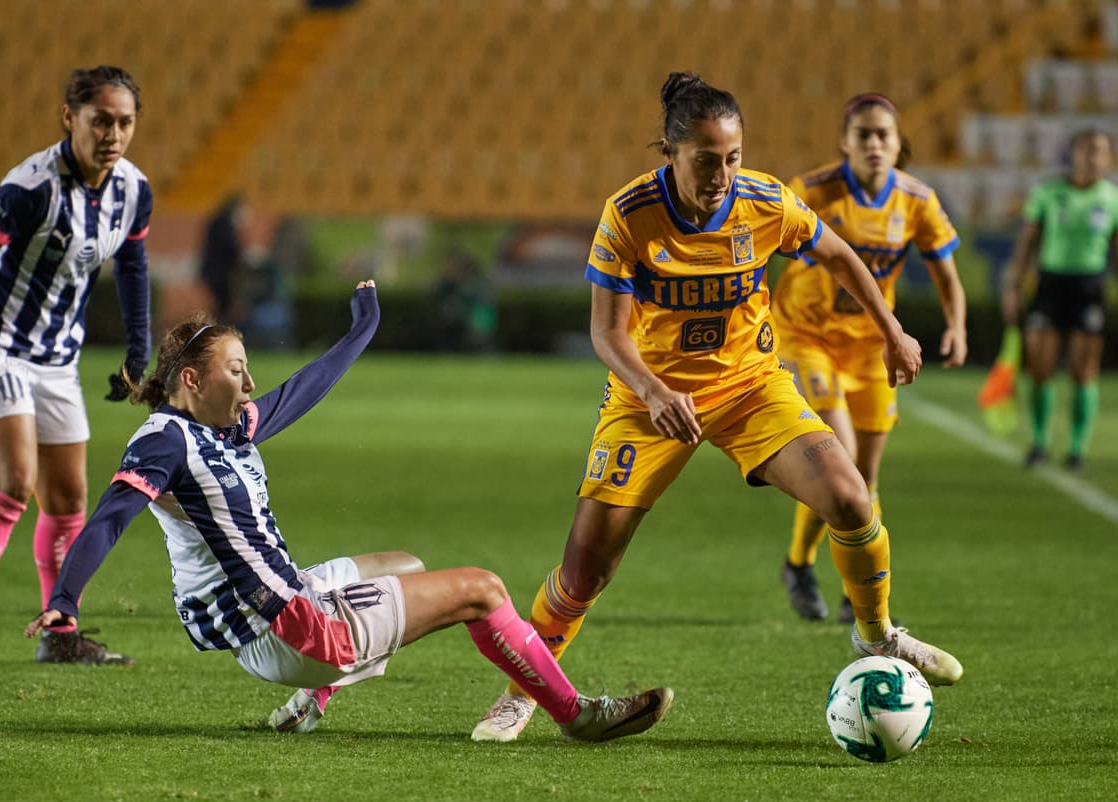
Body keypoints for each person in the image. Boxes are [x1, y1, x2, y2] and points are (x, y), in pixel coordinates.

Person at [469, 72, 964, 743]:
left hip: (751, 386)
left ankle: (877, 634)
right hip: (648, 399)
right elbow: (607, 332)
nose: (722, 174)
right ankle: (521, 693)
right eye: (706, 161)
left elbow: (840, 254)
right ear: (670, 153)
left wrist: (892, 330)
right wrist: (653, 390)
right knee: (587, 570)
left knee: (850, 497)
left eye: (732, 157)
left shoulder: (764, 201)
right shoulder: (629, 214)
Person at [23, 282, 674, 743]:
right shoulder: (166, 440)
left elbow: (303, 387)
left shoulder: (227, 429)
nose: (249, 384)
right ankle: (578, 714)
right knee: (483, 589)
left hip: (269, 623)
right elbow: (109, 516)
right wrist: (66, 598)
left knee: (405, 564)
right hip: (295, 629)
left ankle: (312, 697)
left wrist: (360, 329)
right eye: (236, 369)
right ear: (190, 380)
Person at [0, 66, 153, 672]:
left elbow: (132, 264)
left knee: (68, 498)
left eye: (124, 122)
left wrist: (140, 346)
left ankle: (61, 632)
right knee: (14, 484)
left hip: (59, 359)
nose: (112, 133)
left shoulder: (133, 190)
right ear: (69, 118)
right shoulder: (33, 187)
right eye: (100, 120)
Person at [770, 93, 968, 623]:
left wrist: (957, 325)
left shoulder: (917, 201)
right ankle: (830, 578)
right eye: (864, 134)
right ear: (844, 142)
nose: (875, 144)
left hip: (871, 348)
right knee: (841, 454)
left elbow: (946, 272)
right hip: (805, 338)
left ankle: (808, 567)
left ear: (900, 144)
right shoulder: (811, 191)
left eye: (884, 135)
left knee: (866, 477)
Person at [1001, 128, 1118, 470]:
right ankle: (1039, 443)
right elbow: (1027, 242)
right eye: (1086, 150)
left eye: (1099, 151)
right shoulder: (1048, 192)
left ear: (1109, 158)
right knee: (1040, 368)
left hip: (1090, 287)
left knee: (1084, 372)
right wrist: (1013, 285)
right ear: (1073, 154)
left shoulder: (1112, 198)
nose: (1092, 157)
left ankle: (1077, 449)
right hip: (1050, 285)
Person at [198, 192, 248, 323]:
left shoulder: (219, 221)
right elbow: (230, 247)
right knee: (223, 305)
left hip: (215, 272)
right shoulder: (223, 224)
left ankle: (218, 331)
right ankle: (218, 332)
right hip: (218, 273)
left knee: (222, 305)